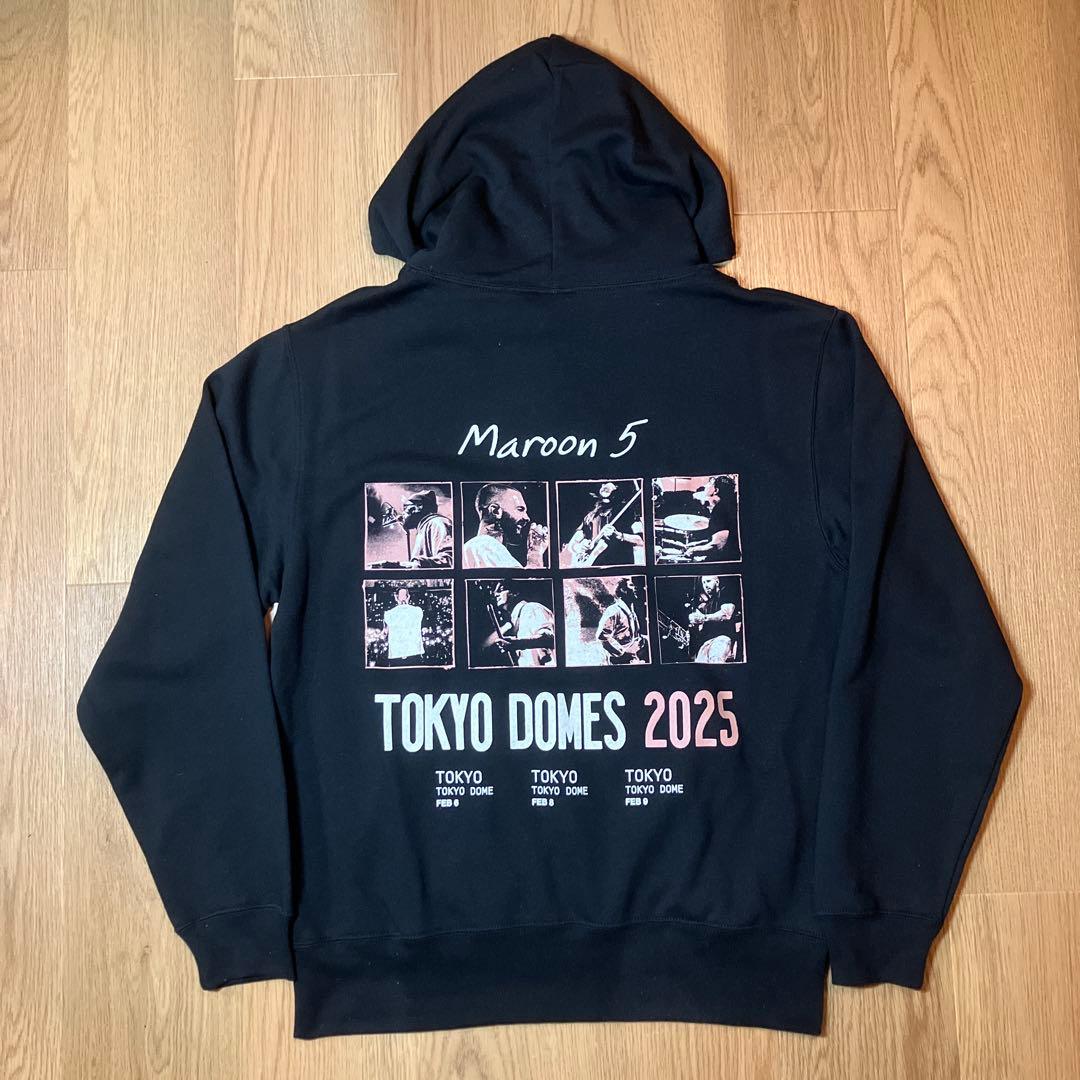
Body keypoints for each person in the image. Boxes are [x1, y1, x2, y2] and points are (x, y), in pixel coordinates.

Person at [462, 483, 549, 568]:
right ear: (496, 511)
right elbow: (525, 578)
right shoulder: (486, 545)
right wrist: (535, 554)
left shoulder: (475, 547)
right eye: (520, 509)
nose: (527, 518)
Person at [563, 481, 645, 567]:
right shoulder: (591, 515)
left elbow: (641, 540)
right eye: (604, 483)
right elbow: (572, 544)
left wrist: (618, 535)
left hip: (617, 567)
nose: (605, 485)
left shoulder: (629, 513)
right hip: (592, 569)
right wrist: (579, 547)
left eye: (613, 484)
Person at [483, 581, 556, 667]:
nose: (496, 594)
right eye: (494, 592)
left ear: (515, 592)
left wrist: (517, 643)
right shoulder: (517, 620)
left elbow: (548, 638)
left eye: (501, 590)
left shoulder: (530, 609)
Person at [681, 475, 740, 561]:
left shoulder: (721, 510)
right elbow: (719, 538)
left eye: (710, 484)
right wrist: (696, 544)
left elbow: (717, 545)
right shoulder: (728, 505)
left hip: (725, 562)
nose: (706, 485)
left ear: (716, 490)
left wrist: (693, 550)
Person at [597, 577, 649, 665]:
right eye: (631, 585)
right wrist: (622, 654)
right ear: (623, 590)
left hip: (632, 659)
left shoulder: (631, 611)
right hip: (619, 662)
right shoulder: (614, 611)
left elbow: (631, 636)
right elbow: (602, 638)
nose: (635, 588)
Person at [687, 575, 739, 663]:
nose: (705, 585)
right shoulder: (705, 605)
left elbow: (726, 614)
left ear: (717, 582)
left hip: (721, 639)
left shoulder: (725, 594)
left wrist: (704, 618)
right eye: (703, 583)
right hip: (705, 643)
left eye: (708, 581)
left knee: (715, 665)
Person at [401, 489, 454, 567]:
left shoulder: (437, 523)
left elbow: (449, 559)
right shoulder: (423, 528)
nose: (402, 513)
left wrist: (414, 564)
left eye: (405, 508)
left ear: (419, 507)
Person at [380, 587, 424, 666]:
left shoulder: (417, 611)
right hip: (398, 654)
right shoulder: (390, 614)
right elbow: (385, 631)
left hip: (412, 653)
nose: (403, 598)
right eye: (401, 595)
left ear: (408, 596)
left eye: (405, 595)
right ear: (396, 597)